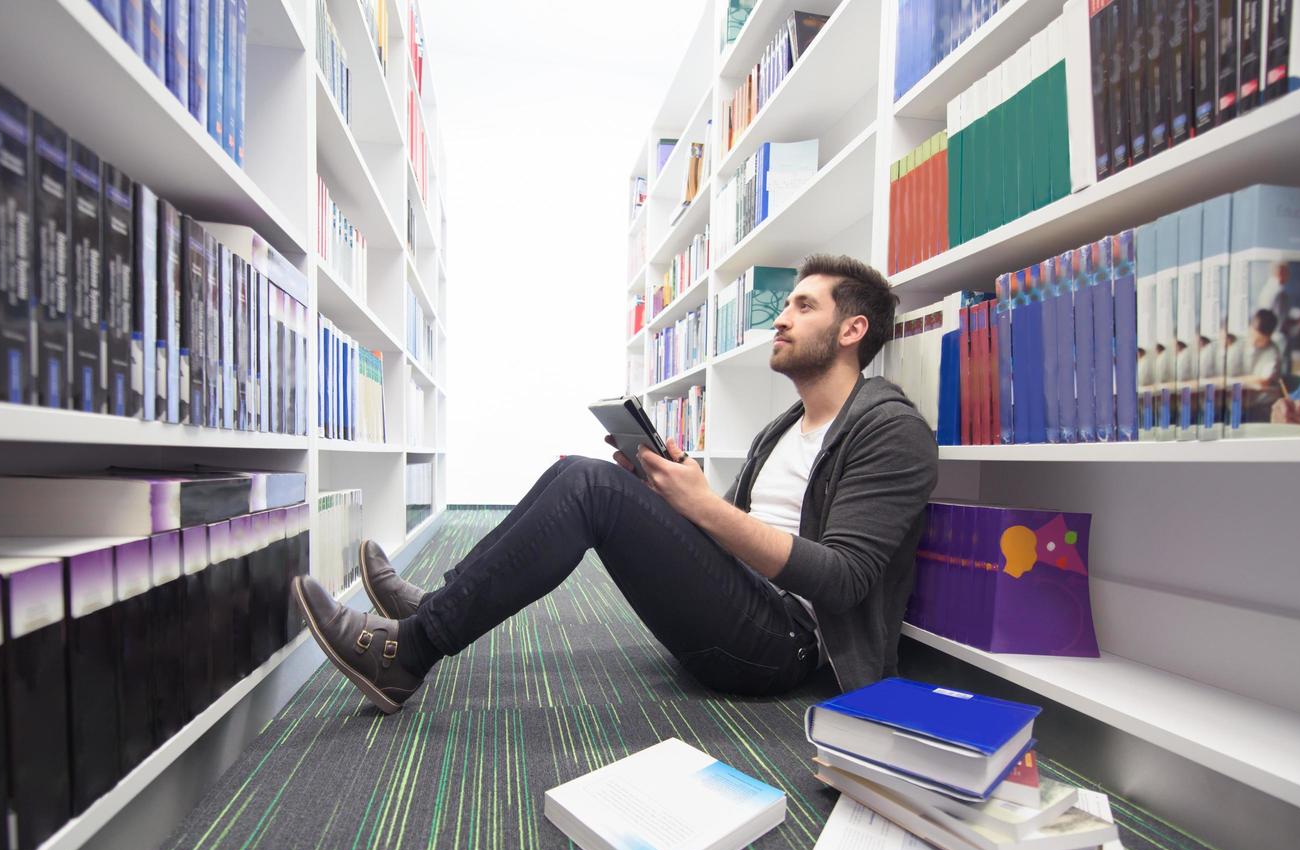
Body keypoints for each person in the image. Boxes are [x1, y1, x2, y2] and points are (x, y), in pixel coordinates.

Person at [291, 254, 940, 714]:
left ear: (852, 330)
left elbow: (844, 580)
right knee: (585, 473)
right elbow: (745, 535)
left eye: (803, 306)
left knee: (588, 485)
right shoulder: (786, 426)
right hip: (747, 607)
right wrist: (666, 491)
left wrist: (702, 507)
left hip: (785, 649)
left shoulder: (891, 433)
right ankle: (434, 604)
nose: (780, 317)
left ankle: (406, 653)